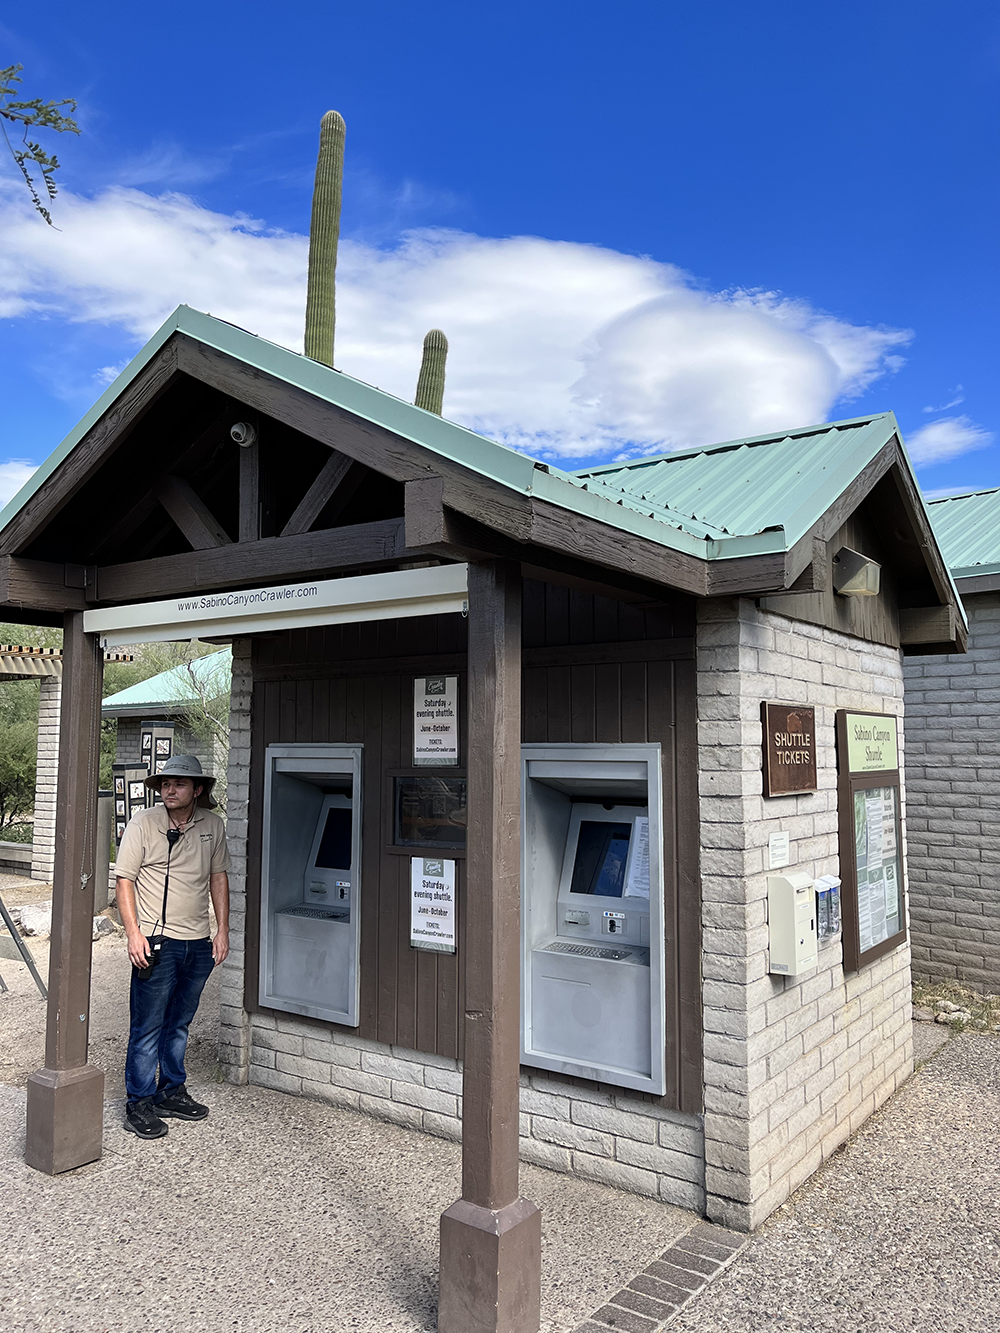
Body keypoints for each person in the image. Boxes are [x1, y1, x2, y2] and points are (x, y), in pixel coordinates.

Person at [115, 754, 230, 1140]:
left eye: (179, 784)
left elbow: (218, 879)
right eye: (165, 784)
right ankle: (140, 1102)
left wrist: (222, 929)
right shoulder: (144, 823)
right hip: (156, 941)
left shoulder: (212, 826)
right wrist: (134, 933)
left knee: (179, 1023)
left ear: (198, 789)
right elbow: (125, 880)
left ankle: (171, 1090)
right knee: (147, 1026)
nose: (169, 790)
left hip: (197, 942)